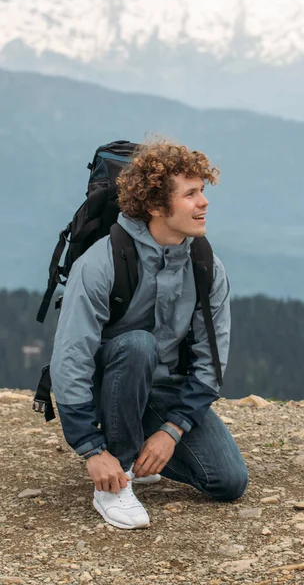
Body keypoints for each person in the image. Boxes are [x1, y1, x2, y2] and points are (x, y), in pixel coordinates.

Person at [50, 139, 248, 530]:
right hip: (108, 385)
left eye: (203, 191)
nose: (204, 202)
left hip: (162, 389)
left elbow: (211, 362)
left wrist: (171, 431)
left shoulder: (207, 266)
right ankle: (115, 479)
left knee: (228, 482)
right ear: (156, 207)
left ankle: (140, 446)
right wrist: (91, 449)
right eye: (190, 194)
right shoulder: (100, 263)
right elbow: (70, 359)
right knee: (138, 345)